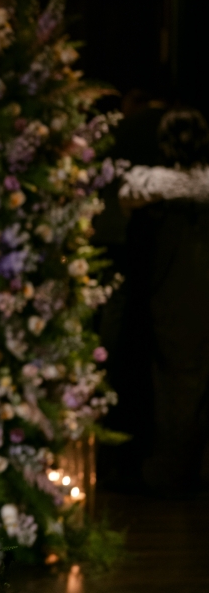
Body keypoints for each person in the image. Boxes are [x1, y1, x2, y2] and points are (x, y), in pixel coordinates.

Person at [118, 109, 209, 493]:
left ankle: (172, 470)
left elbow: (129, 194)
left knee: (178, 383)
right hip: (184, 293)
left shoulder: (154, 183)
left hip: (177, 293)